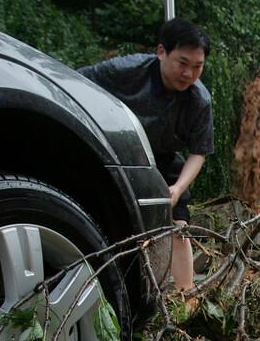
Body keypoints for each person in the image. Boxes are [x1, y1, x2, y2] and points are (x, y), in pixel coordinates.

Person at [80, 18, 215, 288]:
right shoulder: (124, 71)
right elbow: (74, 83)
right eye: (182, 63)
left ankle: (185, 297)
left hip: (164, 158)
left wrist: (177, 188)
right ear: (162, 52)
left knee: (179, 224)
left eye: (197, 67)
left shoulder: (199, 100)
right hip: (118, 148)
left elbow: (199, 152)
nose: (188, 74)